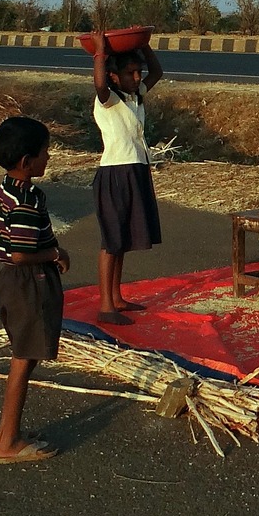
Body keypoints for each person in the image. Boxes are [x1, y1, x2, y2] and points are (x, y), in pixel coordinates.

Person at [0, 115, 70, 464]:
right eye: (45, 152)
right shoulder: (25, 202)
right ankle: (9, 442)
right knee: (24, 359)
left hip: (12, 281)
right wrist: (54, 253)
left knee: (25, 354)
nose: (48, 157)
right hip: (29, 282)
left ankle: (6, 433)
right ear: (27, 162)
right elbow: (21, 253)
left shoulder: (7, 189)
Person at [91, 32, 163, 326]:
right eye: (129, 73)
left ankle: (117, 297)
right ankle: (106, 305)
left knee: (123, 239)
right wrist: (100, 53)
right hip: (115, 172)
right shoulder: (107, 100)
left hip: (135, 168)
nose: (136, 77)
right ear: (114, 77)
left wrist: (143, 44)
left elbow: (157, 71)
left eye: (137, 72)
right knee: (112, 239)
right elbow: (98, 82)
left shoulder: (136, 96)